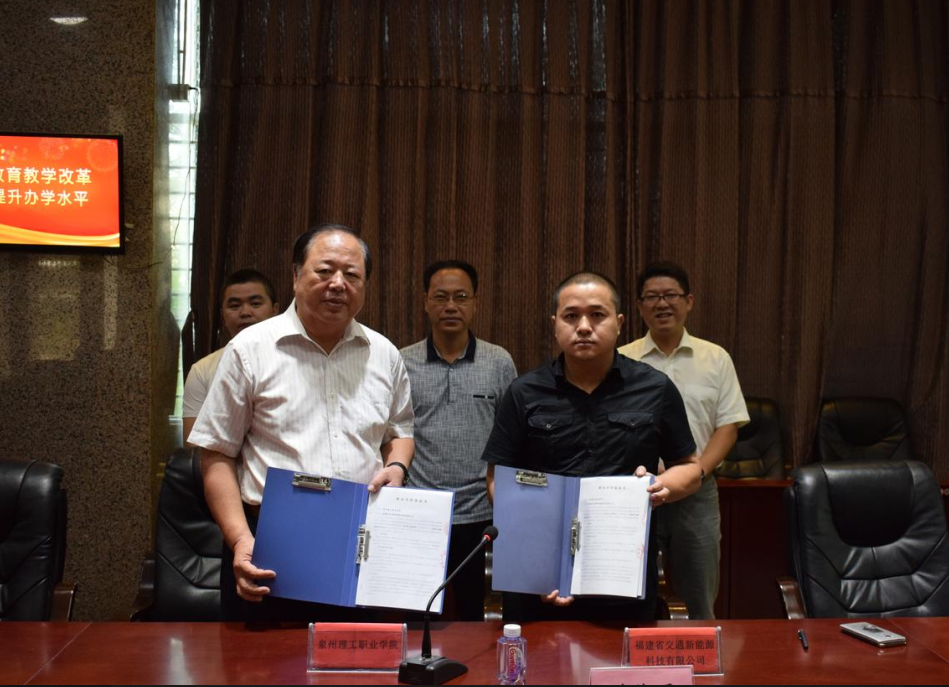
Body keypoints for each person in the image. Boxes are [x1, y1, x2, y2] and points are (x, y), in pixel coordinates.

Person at [189, 224, 415, 622]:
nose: (338, 284)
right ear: (295, 276)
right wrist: (241, 540)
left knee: (358, 653)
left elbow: (400, 432)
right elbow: (216, 455)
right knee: (265, 657)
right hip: (272, 543)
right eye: (324, 271)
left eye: (352, 275)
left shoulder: (384, 354)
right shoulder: (249, 350)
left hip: (360, 539)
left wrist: (396, 466)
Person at [481, 271, 701, 622]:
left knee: (617, 657)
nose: (584, 327)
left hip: (622, 572)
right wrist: (537, 562)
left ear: (620, 323)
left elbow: (690, 468)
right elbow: (498, 478)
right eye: (571, 316)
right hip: (539, 572)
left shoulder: (655, 388)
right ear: (555, 324)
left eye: (597, 315)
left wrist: (660, 487)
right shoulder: (524, 393)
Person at [618, 261, 749, 620]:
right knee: (628, 595)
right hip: (636, 493)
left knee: (699, 599)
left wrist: (696, 474)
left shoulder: (715, 358)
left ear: (688, 301)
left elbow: (728, 426)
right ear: (639, 306)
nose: (662, 304)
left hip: (697, 494)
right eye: (652, 297)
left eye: (671, 295)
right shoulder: (621, 359)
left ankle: (702, 657)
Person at [401, 260, 517, 620]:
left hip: (479, 511)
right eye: (441, 297)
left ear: (475, 303)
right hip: (420, 508)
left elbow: (512, 436)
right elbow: (393, 432)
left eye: (461, 297)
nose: (450, 306)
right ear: (425, 301)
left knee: (471, 614)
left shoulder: (498, 362)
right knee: (419, 613)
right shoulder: (401, 362)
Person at [182, 269, 279, 445]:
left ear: (275, 310)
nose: (245, 312)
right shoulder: (202, 370)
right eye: (234, 306)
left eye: (255, 304)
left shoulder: (298, 361)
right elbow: (193, 447)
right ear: (223, 317)